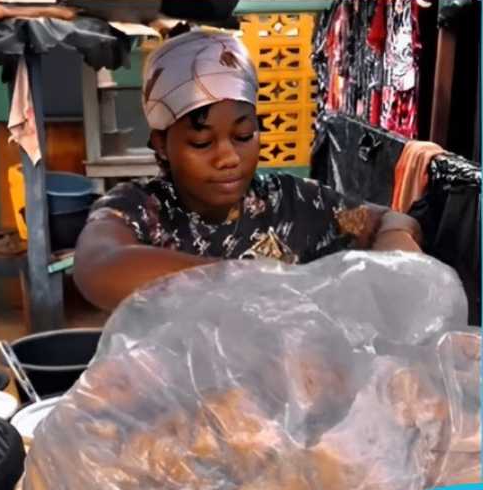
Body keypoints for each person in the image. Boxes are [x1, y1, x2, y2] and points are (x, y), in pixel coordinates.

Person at [74, 29, 423, 312]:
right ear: (162, 144)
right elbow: (100, 265)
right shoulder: (141, 209)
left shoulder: (294, 203)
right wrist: (251, 281)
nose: (228, 157)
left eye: (243, 136)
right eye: (202, 143)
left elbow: (384, 220)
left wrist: (395, 246)